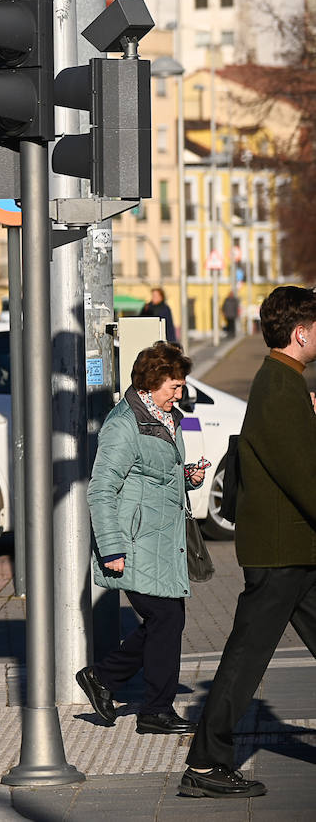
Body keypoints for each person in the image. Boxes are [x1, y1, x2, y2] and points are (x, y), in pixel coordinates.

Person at [179, 285, 316, 799]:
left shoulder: (285, 383)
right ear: (300, 334)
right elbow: (303, 475)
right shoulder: (278, 387)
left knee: (247, 654)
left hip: (295, 551)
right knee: (246, 657)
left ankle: (207, 761)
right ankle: (207, 764)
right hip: (281, 553)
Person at [76, 342, 207, 736]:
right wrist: (111, 548)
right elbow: (101, 489)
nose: (179, 394)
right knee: (165, 617)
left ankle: (105, 680)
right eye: (174, 386)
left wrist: (187, 477)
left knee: (167, 618)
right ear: (150, 384)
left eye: (181, 386)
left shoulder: (166, 419)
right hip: (134, 542)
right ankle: (152, 708)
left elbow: (153, 474)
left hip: (161, 541)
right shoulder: (124, 424)